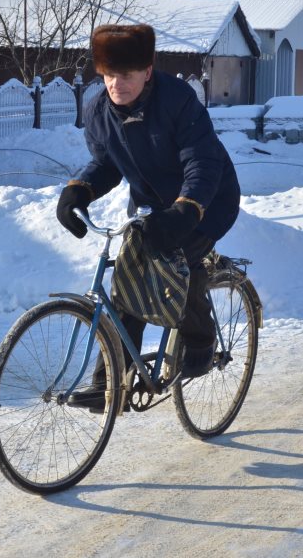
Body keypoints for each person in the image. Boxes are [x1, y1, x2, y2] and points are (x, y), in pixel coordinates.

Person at [56, 23, 241, 409]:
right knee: (127, 282)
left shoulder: (177, 100)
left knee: (174, 265)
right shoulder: (99, 111)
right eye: (108, 75)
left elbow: (201, 161)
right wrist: (80, 189)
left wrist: (186, 209)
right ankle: (112, 384)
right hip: (153, 207)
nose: (115, 84)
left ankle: (201, 338)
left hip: (208, 201)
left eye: (125, 75)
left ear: (147, 71)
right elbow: (107, 164)